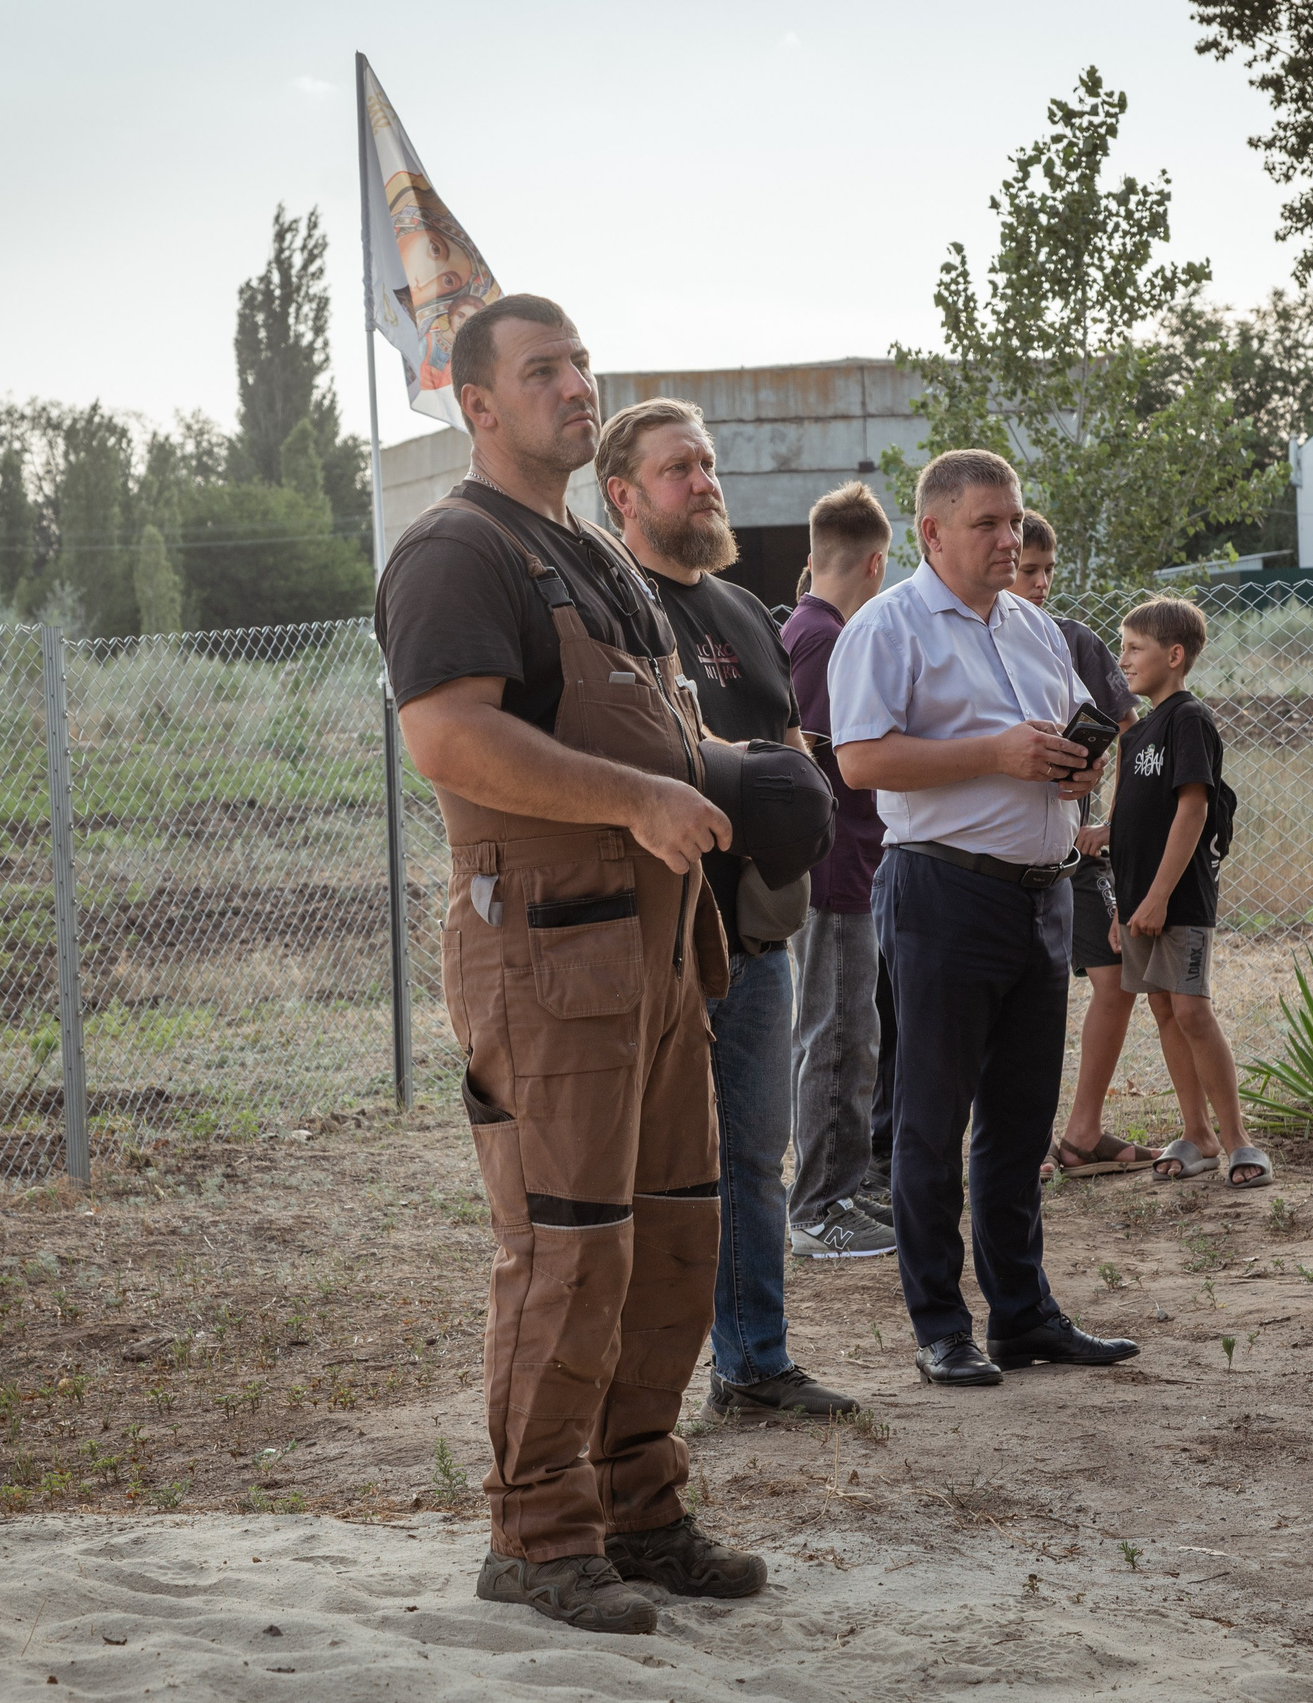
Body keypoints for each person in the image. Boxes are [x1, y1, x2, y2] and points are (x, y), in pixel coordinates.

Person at [376, 295, 762, 1634]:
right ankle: (539, 1531)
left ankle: (639, 1506)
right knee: (569, 1247)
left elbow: (654, 726)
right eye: (540, 371)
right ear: (476, 403)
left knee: (672, 1233)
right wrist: (637, 801)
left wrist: (733, 779)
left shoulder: (592, 550)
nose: (574, 386)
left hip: (655, 944)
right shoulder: (455, 551)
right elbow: (452, 741)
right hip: (549, 948)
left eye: (580, 363)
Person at [828, 448, 1139, 1388]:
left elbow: (1076, 734)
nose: (1010, 539)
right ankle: (939, 1325)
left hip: (1042, 891)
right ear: (931, 532)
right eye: (987, 524)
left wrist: (1080, 771)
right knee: (931, 1118)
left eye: (1016, 521)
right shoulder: (888, 628)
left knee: (1019, 1116)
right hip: (943, 889)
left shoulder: (1037, 630)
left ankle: (1023, 1315)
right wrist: (994, 754)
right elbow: (860, 760)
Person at [594, 399, 867, 1424]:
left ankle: (753, 1362)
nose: (705, 482)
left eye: (707, 465)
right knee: (646, 1166)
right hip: (652, 934)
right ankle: (627, 1380)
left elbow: (789, 736)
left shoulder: (748, 608)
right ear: (623, 494)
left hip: (753, 932)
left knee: (753, 1153)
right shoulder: (616, 607)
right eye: (679, 469)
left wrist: (792, 788)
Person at [1007, 511, 1158, 1179]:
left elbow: (1132, 731)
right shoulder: (971, 647)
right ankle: (1021, 1138)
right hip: (1007, 857)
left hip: (1075, 852)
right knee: (1014, 996)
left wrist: (1111, 823)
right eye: (1027, 570)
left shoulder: (1072, 640)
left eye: (1046, 571)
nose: (1039, 583)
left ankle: (1082, 1129)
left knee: (1114, 979)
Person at [1105, 597, 1268, 1187]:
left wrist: (1156, 897)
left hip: (1179, 900)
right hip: (1138, 904)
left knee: (1193, 1010)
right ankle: (1195, 1133)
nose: (1122, 658)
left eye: (1133, 648)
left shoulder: (1187, 719)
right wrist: (1124, 903)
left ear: (1174, 656)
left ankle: (1238, 1140)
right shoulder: (1138, 731)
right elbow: (1126, 821)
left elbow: (1193, 809)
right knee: (1164, 1008)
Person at [781, 481, 901, 1258]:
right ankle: (820, 1206)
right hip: (833, 872)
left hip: (844, 867)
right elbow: (843, 763)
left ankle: (848, 1186)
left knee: (853, 1033)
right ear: (876, 564)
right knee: (836, 1036)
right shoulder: (826, 638)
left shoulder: (812, 629)